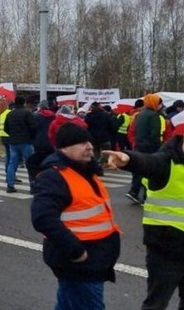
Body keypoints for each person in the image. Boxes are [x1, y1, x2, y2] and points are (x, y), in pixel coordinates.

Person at [104, 121, 184, 309]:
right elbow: (149, 163)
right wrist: (128, 159)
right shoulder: (167, 162)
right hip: (167, 251)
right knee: (156, 304)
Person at [31, 123, 121, 310]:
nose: (89, 146)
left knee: (69, 303)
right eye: (81, 143)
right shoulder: (54, 176)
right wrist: (76, 252)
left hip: (93, 258)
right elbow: (43, 218)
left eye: (88, 141)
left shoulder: (84, 170)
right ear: (64, 148)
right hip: (79, 263)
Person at [127, 93, 163, 204]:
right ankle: (147, 196)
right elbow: (155, 133)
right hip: (150, 147)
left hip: (139, 145)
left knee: (139, 169)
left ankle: (134, 191)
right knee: (149, 171)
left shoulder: (140, 115)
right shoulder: (154, 116)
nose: (160, 106)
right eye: (159, 103)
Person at [4, 96, 36, 193]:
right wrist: (31, 137)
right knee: (30, 164)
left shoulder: (10, 114)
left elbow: (6, 129)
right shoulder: (27, 113)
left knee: (12, 163)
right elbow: (33, 127)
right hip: (26, 142)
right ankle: (33, 186)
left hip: (13, 142)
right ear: (24, 103)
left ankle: (10, 185)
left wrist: (12, 135)